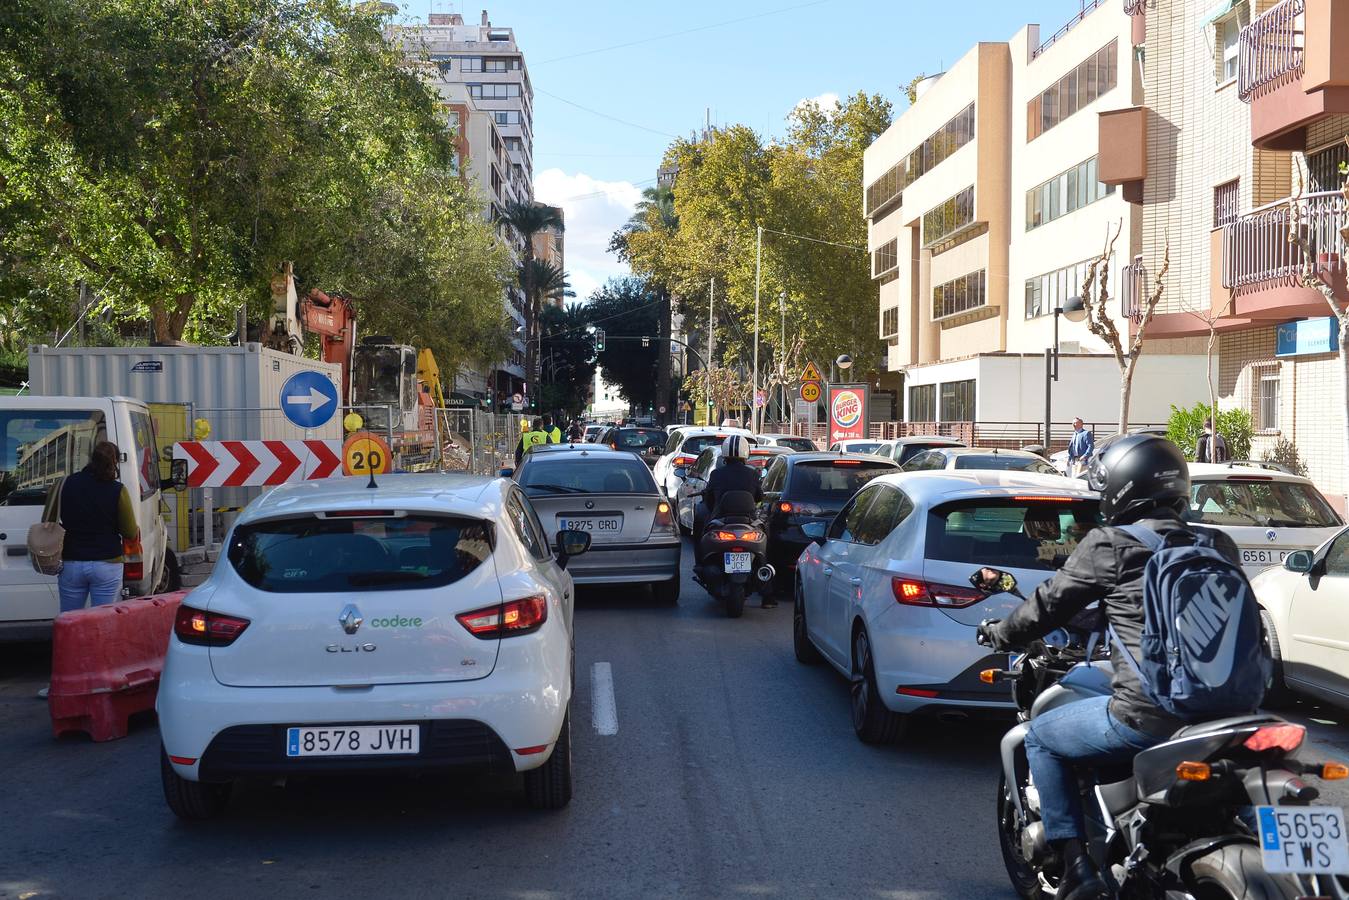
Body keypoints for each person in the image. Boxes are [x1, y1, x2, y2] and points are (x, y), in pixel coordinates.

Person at [976, 435, 1242, 900]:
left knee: (1041, 737)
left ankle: (1077, 867)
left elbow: (1048, 606)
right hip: (1232, 713)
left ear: (1120, 488)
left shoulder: (1112, 544)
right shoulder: (1217, 542)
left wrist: (1001, 633)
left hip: (1152, 714)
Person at [53, 441, 141, 612]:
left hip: (72, 562)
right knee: (103, 619)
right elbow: (129, 532)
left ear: (91, 459)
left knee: (70, 619)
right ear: (114, 462)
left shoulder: (66, 484)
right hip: (107, 563)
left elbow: (48, 521)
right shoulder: (118, 490)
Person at [701, 435, 771, 607]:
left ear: (724, 455)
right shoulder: (752, 474)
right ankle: (768, 595)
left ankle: (700, 564)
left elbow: (709, 500)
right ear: (746, 453)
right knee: (767, 545)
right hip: (749, 522)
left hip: (721, 521)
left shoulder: (716, 474)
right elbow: (759, 498)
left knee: (701, 533)